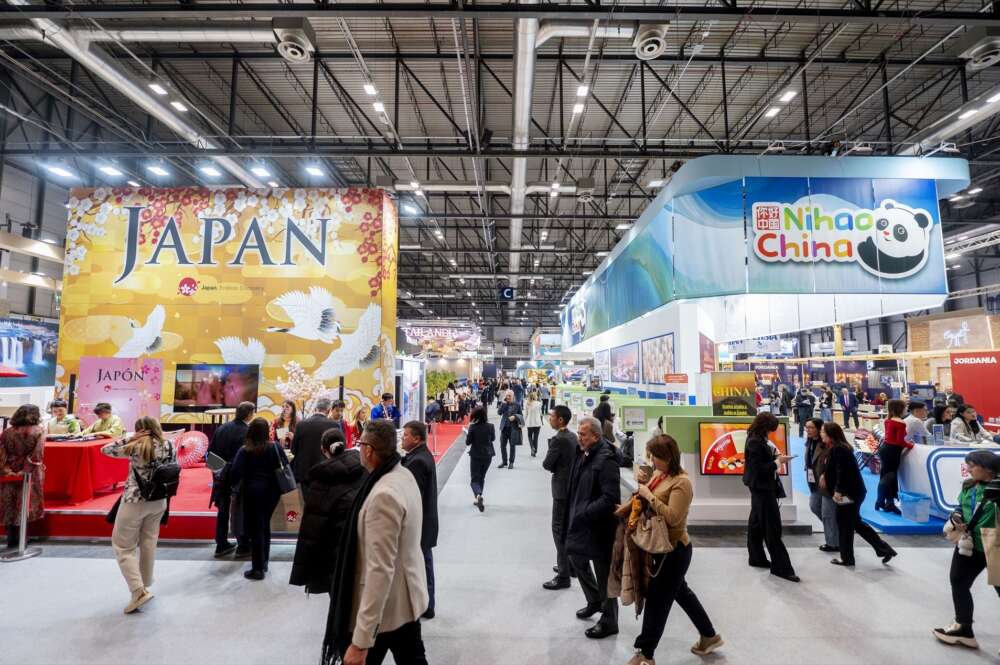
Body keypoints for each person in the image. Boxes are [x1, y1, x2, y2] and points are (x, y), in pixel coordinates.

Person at [323, 420, 428, 665]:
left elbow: (379, 569)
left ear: (369, 450)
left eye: (360, 444)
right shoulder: (403, 474)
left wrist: (361, 641)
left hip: (387, 610)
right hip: (406, 601)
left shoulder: (383, 495)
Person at [627, 435, 724, 663]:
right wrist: (645, 483)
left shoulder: (682, 482)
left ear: (669, 457)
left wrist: (649, 496)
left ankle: (645, 654)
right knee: (682, 593)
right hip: (660, 549)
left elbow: (673, 517)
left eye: (656, 457)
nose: (652, 461)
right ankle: (709, 636)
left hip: (674, 551)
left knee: (657, 601)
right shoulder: (661, 475)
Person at [100, 416, 175, 613]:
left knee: (123, 546)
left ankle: (138, 590)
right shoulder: (169, 444)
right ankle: (145, 582)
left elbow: (106, 450)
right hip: (160, 500)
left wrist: (131, 437)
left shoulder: (136, 446)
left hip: (135, 500)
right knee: (149, 541)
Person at [932, 450, 1000, 649]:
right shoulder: (969, 486)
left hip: (995, 542)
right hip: (969, 542)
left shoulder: (997, 487)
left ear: (988, 468)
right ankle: (964, 628)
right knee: (958, 581)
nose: (968, 469)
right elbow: (960, 505)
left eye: (972, 465)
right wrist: (956, 516)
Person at [290, 428, 366, 594]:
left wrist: (306, 572)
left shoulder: (320, 482)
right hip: (362, 547)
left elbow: (312, 529)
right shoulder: (362, 470)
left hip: (333, 555)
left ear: (323, 450)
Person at [566, 416, 621, 639]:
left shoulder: (606, 460)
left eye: (583, 434)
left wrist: (585, 512)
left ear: (596, 436)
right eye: (579, 433)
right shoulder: (585, 453)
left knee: (604, 572)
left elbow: (610, 498)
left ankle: (609, 620)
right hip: (581, 522)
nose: (579, 437)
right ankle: (594, 601)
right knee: (575, 557)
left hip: (599, 526)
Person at [820, 422, 897, 567]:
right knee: (854, 523)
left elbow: (843, 472)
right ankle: (884, 549)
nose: (821, 434)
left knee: (844, 524)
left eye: (823, 431)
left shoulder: (839, 449)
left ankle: (847, 558)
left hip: (848, 493)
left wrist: (838, 490)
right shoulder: (837, 448)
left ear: (831, 434)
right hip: (852, 492)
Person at [230, 417, 290, 580]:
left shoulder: (245, 450)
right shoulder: (275, 447)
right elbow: (285, 465)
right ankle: (263, 562)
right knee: (264, 526)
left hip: (252, 493)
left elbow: (235, 473)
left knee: (255, 529)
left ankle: (258, 568)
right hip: (272, 493)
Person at [743, 412, 798, 582]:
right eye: (770, 429)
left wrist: (776, 458)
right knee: (772, 528)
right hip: (762, 488)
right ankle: (781, 568)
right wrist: (777, 462)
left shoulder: (755, 438)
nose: (771, 433)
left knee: (756, 523)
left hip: (760, 487)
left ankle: (757, 557)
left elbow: (760, 462)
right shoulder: (755, 441)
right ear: (765, 427)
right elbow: (759, 468)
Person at [401, 421, 439, 620]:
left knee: (423, 565)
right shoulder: (420, 456)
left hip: (420, 524)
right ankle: (427, 604)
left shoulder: (417, 461)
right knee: (425, 564)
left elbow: (411, 496)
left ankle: (426, 605)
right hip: (425, 522)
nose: (402, 438)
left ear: (416, 438)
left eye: (405, 435)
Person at [208, 401, 255, 558]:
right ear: (249, 414)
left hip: (221, 475)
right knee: (239, 511)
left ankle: (221, 543)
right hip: (238, 478)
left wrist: (217, 473)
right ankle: (242, 544)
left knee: (223, 510)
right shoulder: (247, 431)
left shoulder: (221, 428)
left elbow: (209, 454)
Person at [542, 404, 578, 591]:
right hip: (571, 488)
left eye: (552, 416)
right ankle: (569, 566)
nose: (550, 419)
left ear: (560, 420)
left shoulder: (559, 440)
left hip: (561, 490)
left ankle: (563, 574)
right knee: (567, 528)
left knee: (558, 530)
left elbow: (547, 464)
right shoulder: (572, 436)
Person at [0, 405, 44, 550]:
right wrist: (25, 471)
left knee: (9, 502)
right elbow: (37, 455)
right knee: (25, 502)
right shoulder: (38, 431)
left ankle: (10, 538)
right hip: (29, 471)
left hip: (9, 470)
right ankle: (22, 539)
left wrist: (6, 470)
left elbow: (1, 453)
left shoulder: (6, 432)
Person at [804, 417, 838, 553]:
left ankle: (834, 542)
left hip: (826, 483)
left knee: (828, 513)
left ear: (819, 429)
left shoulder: (826, 444)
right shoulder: (810, 442)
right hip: (814, 482)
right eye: (807, 427)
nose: (808, 430)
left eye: (811, 427)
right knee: (815, 507)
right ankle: (835, 534)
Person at [290, 398, 341, 488]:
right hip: (324, 471)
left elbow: (294, 450)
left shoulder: (301, 424)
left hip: (303, 472)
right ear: (329, 410)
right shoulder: (334, 425)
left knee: (304, 500)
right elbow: (337, 451)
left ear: (315, 409)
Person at [875, 399, 913, 514]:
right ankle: (882, 501)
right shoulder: (900, 422)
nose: (906, 409)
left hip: (885, 449)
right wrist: (911, 445)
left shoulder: (888, 420)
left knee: (886, 477)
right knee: (890, 477)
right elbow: (900, 442)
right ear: (899, 408)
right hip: (893, 452)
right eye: (904, 407)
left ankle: (887, 502)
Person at [465, 406, 495, 511]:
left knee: (474, 479)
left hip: (476, 455)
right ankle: (479, 497)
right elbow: (493, 439)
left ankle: (478, 495)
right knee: (482, 477)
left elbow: (468, 442)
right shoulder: (491, 426)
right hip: (488, 455)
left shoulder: (473, 427)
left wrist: (467, 433)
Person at [497, 391, 522, 469]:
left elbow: (521, 415)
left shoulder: (517, 405)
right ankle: (504, 462)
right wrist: (503, 404)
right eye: (507, 396)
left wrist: (515, 417)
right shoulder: (504, 404)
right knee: (502, 445)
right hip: (504, 428)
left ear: (513, 396)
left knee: (512, 446)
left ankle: (511, 462)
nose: (507, 397)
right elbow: (499, 413)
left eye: (509, 396)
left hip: (513, 428)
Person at [525, 390, 543, 457]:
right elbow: (540, 413)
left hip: (530, 422)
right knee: (536, 437)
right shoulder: (539, 403)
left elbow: (526, 414)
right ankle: (535, 451)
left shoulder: (527, 404)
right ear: (535, 397)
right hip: (537, 422)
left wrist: (523, 423)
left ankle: (532, 447)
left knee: (529, 436)